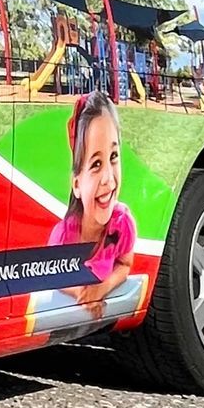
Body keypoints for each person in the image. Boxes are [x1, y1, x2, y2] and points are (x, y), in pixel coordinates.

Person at [48, 90, 137, 319]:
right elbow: (51, 275)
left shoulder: (122, 223)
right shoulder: (63, 237)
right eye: (96, 164)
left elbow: (125, 265)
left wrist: (102, 288)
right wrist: (83, 294)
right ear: (76, 184)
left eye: (114, 156)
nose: (109, 178)